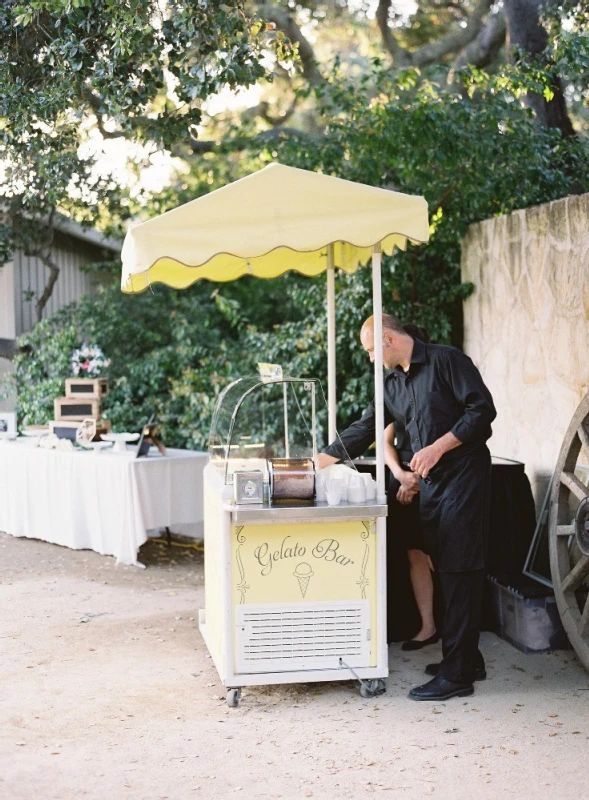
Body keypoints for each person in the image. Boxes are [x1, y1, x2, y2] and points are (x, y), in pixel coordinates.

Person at [317, 313, 496, 701]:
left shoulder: (448, 361)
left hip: (465, 477)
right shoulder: (390, 383)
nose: (369, 358)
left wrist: (437, 446)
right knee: (445, 566)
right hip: (431, 485)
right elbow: (364, 429)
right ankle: (467, 659)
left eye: (369, 350)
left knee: (459, 568)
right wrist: (316, 463)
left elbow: (482, 412)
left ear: (388, 339)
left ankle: (457, 675)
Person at [383, 324, 436, 650]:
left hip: (435, 475)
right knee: (414, 552)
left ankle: (451, 630)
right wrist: (401, 476)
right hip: (402, 472)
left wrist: (416, 481)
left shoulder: (435, 383)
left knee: (442, 553)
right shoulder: (394, 387)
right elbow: (385, 441)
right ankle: (427, 626)